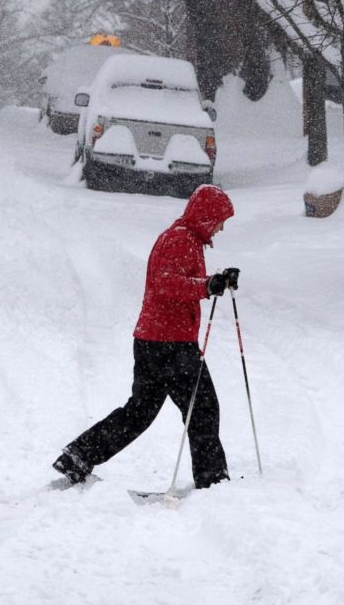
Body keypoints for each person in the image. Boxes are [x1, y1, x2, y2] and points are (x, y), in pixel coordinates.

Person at [52, 184, 239, 490]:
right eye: (219, 220)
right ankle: (213, 482)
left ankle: (79, 455)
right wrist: (205, 286)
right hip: (171, 344)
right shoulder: (180, 239)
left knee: (140, 412)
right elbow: (165, 283)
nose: (220, 228)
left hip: (156, 340)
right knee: (202, 408)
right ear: (206, 216)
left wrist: (214, 281)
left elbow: (178, 279)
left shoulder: (184, 238)